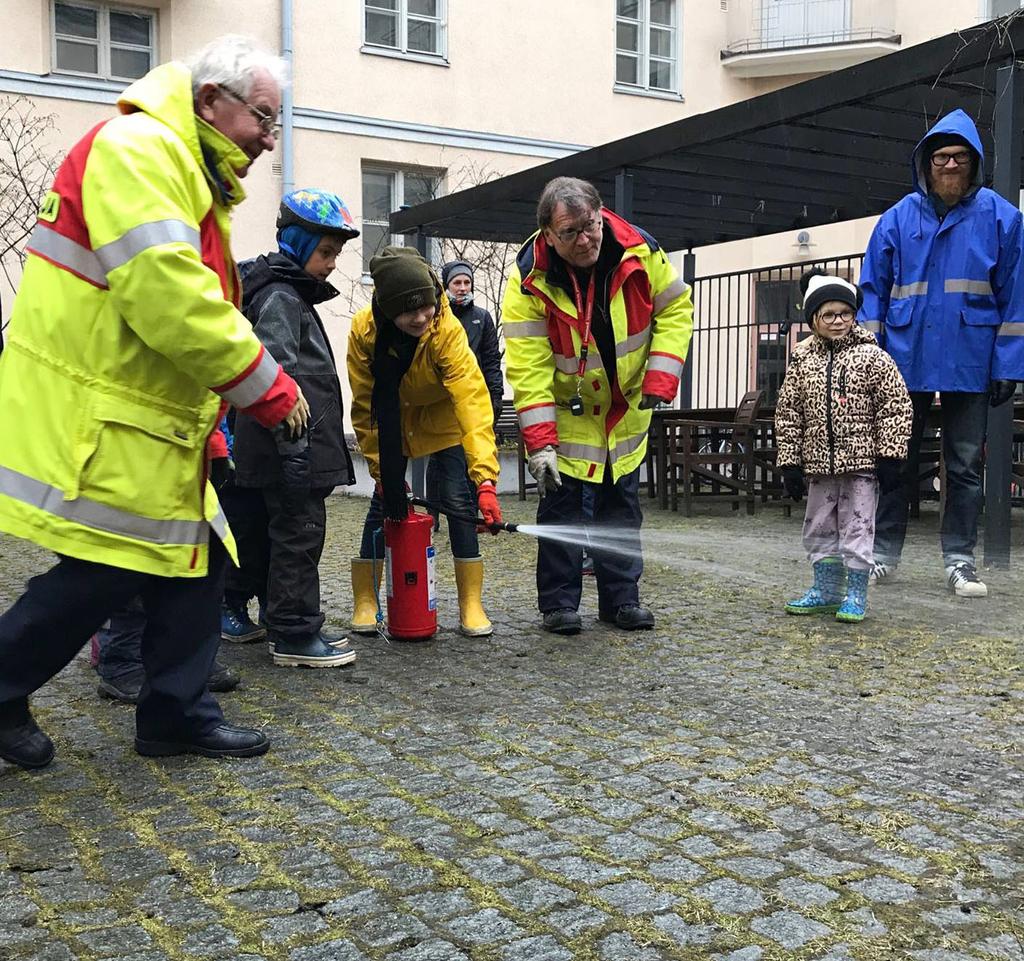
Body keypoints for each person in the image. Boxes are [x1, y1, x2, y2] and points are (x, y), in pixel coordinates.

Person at [0, 35, 309, 770]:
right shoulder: (142, 149)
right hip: (109, 416)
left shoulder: (174, 161)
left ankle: (175, 712)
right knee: (104, 571)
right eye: (262, 119)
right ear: (211, 102)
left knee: (194, 560)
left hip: (148, 418)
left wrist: (211, 424)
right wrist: (265, 385)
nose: (269, 140)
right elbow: (169, 295)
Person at [502, 176, 693, 636]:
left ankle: (622, 600)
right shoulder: (527, 281)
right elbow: (529, 370)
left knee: (621, 509)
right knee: (561, 511)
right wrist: (540, 445)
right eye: (569, 233)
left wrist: (661, 376)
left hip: (624, 408)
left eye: (590, 225)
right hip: (569, 415)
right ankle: (559, 605)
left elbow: (676, 310)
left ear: (601, 212)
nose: (585, 239)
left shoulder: (642, 252)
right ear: (548, 234)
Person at [859, 109, 1024, 597]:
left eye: (959, 158)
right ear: (925, 164)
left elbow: (1016, 295)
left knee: (965, 466)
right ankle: (882, 555)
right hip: (900, 361)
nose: (949, 166)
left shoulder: (1003, 218)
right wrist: (867, 357)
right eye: (940, 158)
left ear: (974, 163)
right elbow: (872, 292)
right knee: (894, 461)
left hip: (970, 358)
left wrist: (1009, 363)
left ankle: (960, 562)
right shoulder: (896, 219)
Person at [231, 188, 359, 667]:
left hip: (284, 451)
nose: (331, 264)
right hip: (291, 452)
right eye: (326, 252)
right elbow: (278, 379)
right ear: (299, 245)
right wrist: (296, 451)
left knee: (277, 536)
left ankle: (279, 621)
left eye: (336, 253)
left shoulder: (285, 293)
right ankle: (294, 635)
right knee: (299, 538)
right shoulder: (282, 297)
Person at [347, 247, 502, 637]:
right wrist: (383, 473)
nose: (420, 318)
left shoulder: (447, 329)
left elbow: (471, 398)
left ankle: (471, 602)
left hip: (442, 419)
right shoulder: (364, 332)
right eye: (408, 311)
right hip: (392, 420)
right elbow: (365, 408)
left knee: (458, 500)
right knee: (384, 503)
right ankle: (366, 599)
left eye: (426, 307)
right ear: (386, 308)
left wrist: (485, 479)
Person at [776, 270, 912, 623]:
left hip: (862, 467)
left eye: (845, 314)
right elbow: (789, 412)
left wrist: (891, 454)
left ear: (854, 316)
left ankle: (855, 593)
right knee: (819, 526)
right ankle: (825, 590)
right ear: (813, 320)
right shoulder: (801, 361)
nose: (838, 321)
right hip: (819, 467)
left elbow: (895, 406)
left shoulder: (873, 357)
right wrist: (790, 461)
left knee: (857, 527)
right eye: (828, 314)